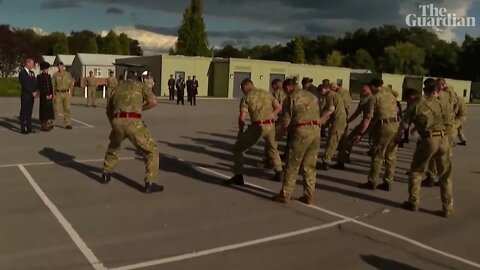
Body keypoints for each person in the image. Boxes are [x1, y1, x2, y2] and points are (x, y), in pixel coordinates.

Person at [397, 78, 454, 218]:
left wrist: (397, 139)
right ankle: (447, 207)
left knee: (416, 172)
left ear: (424, 90)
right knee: (445, 176)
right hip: (443, 139)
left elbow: (404, 125)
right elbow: (448, 122)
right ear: (435, 91)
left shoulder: (416, 103)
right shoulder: (440, 103)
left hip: (428, 140)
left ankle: (413, 201)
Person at [101, 71, 163, 194]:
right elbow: (153, 102)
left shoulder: (117, 88)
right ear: (138, 78)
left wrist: (113, 123)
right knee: (151, 151)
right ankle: (150, 182)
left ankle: (105, 174)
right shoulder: (141, 86)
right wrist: (141, 108)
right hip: (134, 121)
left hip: (117, 120)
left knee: (113, 148)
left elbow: (108, 110)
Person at [225, 79, 283, 185]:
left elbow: (242, 117)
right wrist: (271, 115)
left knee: (238, 149)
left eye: (242, 88)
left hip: (258, 126)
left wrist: (241, 131)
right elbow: (278, 107)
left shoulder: (246, 97)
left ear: (246, 87)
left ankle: (238, 176)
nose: (242, 91)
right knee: (272, 148)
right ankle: (279, 171)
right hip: (270, 124)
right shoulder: (266, 93)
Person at [272, 79, 321, 205]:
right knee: (309, 165)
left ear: (288, 87)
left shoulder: (291, 99)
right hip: (316, 131)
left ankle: (285, 194)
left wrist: (276, 137)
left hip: (301, 132)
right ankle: (308, 195)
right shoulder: (312, 96)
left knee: (292, 163)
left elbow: (286, 121)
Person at [359, 79, 399, 191]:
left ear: (372, 86)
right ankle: (388, 182)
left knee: (377, 154)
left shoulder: (374, 97)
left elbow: (368, 117)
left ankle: (372, 181)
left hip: (384, 127)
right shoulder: (390, 95)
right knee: (391, 155)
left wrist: (361, 133)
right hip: (395, 125)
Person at [422, 78, 460, 187]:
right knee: (444, 155)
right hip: (449, 128)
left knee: (435, 154)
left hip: (443, 129)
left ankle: (432, 177)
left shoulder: (437, 99)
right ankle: (441, 178)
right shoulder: (447, 95)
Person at [333, 83, 373, 169]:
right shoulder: (373, 98)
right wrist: (348, 121)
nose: (362, 92)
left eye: (364, 91)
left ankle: (341, 161)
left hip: (368, 123)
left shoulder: (367, 100)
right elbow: (357, 114)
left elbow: (365, 117)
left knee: (348, 141)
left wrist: (361, 133)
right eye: (362, 91)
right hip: (375, 124)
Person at [318, 83, 347, 170]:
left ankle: (326, 162)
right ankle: (341, 161)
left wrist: (320, 119)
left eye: (321, 91)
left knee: (332, 141)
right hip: (342, 119)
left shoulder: (330, 95)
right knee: (341, 142)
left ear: (325, 89)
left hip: (338, 120)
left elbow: (330, 109)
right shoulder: (335, 94)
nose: (320, 94)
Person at [264, 78, 287, 168]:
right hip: (295, 120)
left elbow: (276, 106)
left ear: (274, 86)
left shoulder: (277, 93)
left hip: (283, 119)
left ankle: (270, 161)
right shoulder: (290, 92)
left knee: (272, 140)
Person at [52, 62, 74, 129]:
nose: (59, 68)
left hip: (66, 93)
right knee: (55, 108)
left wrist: (71, 94)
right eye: (58, 67)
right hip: (58, 93)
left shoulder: (68, 74)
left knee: (67, 109)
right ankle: (52, 122)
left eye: (61, 66)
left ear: (63, 66)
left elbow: (71, 85)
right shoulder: (55, 75)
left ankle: (67, 123)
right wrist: (53, 94)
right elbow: (53, 85)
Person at [18, 58, 37, 134]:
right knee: (24, 111)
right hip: (26, 95)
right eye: (32, 63)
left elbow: (34, 83)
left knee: (29, 112)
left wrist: (35, 91)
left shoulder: (32, 73)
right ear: (28, 63)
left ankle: (29, 127)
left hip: (32, 95)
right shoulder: (22, 73)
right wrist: (31, 91)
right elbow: (24, 84)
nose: (33, 65)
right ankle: (23, 128)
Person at [37, 61, 55, 132]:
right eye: (45, 69)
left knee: (49, 110)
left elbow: (50, 86)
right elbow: (40, 87)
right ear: (43, 69)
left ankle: (47, 123)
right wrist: (45, 95)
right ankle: (43, 124)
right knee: (43, 110)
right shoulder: (39, 77)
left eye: (47, 69)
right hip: (44, 96)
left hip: (49, 96)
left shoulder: (48, 76)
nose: (47, 70)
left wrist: (51, 94)